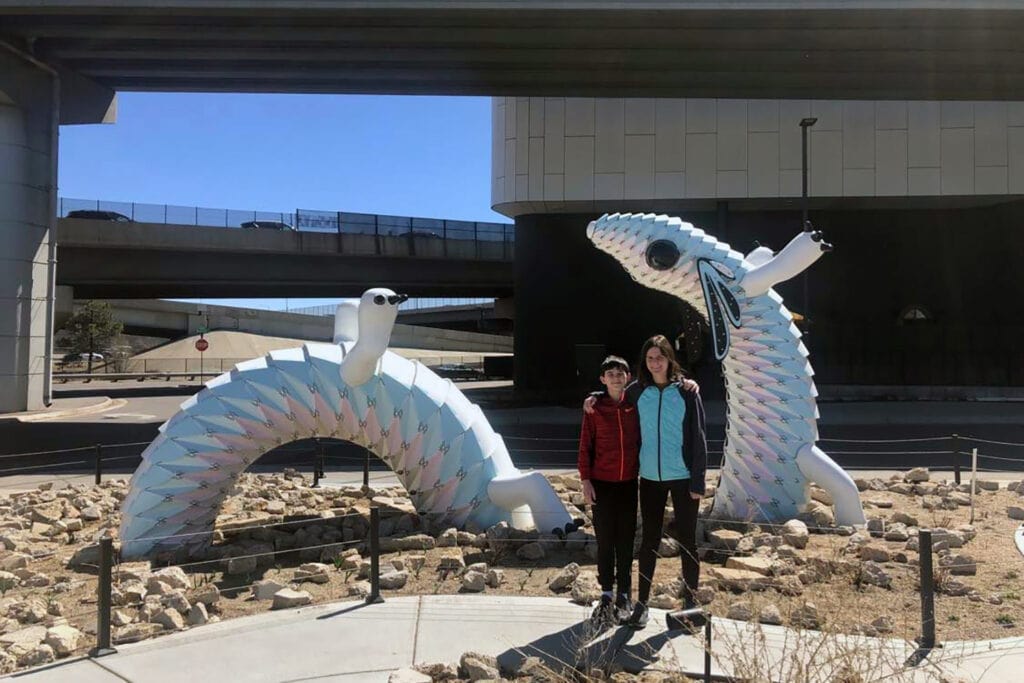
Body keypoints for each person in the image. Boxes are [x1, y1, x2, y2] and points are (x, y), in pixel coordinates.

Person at [584, 334, 707, 629]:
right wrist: (594, 396)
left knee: (688, 540)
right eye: (650, 358)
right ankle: (642, 604)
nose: (655, 362)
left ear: (669, 359)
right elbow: (611, 392)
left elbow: (699, 437)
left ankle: (690, 603)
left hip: (683, 477)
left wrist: (698, 481)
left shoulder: (687, 392)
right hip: (650, 478)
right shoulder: (638, 391)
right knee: (648, 541)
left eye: (660, 357)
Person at [578, 355, 641, 626]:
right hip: (601, 484)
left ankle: (624, 595)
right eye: (610, 373)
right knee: (605, 541)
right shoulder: (593, 409)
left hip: (628, 482)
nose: (616, 377)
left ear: (628, 377)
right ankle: (606, 595)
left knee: (626, 541)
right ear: (603, 379)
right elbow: (585, 447)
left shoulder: (636, 405)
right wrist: (585, 481)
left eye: (621, 373)